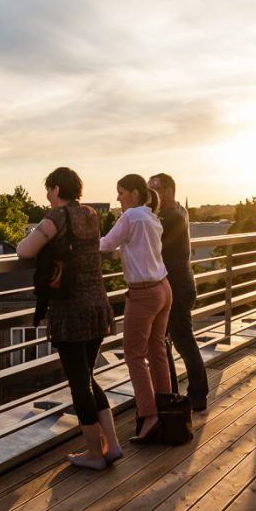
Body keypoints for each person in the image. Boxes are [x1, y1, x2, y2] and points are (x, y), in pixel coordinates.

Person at [17, 167, 120, 470]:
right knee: (88, 377)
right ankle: (112, 445)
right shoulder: (90, 215)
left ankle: (93, 453)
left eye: (49, 190)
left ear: (57, 190)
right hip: (97, 305)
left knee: (79, 383)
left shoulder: (56, 218)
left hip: (71, 311)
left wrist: (35, 238)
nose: (47, 196)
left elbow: (25, 251)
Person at [100, 173, 172, 443]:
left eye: (120, 192)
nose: (117, 198)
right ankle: (164, 408)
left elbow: (106, 244)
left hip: (144, 294)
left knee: (133, 355)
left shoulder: (131, 217)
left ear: (133, 193)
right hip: (163, 288)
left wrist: (78, 246)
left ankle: (149, 415)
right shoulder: (151, 216)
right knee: (157, 351)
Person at [148, 173, 209, 411]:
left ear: (169, 190)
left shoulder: (168, 217)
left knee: (177, 340)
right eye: (147, 189)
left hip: (176, 286)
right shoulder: (180, 210)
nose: (150, 194)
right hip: (181, 283)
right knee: (176, 340)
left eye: (155, 189)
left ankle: (188, 394)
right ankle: (181, 393)